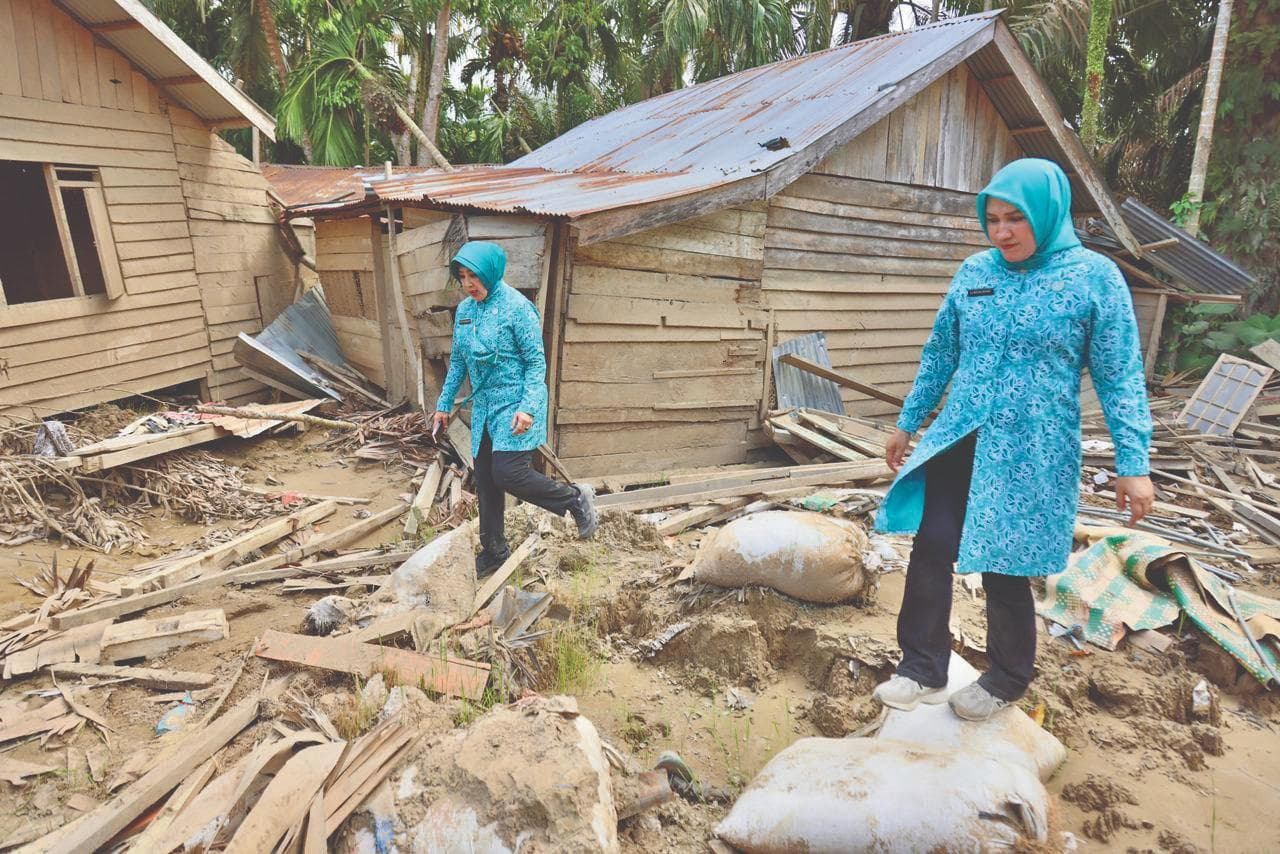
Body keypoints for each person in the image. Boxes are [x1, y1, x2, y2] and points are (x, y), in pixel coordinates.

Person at [871, 158, 1155, 721]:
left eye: (1015, 220)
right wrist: (909, 421)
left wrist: (1133, 461)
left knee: (1006, 561)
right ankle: (921, 666)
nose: (1001, 232)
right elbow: (940, 354)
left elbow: (1120, 375)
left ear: (1047, 215)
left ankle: (1005, 679)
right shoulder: (975, 272)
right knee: (933, 546)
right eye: (993, 219)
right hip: (962, 434)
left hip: (1034, 448)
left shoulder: (1094, 278)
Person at [431, 241, 599, 576]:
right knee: (487, 480)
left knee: (509, 473)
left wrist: (528, 408)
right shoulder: (465, 311)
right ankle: (494, 551)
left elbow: (536, 364)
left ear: (491, 273)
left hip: (516, 404)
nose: (468, 284)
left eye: (474, 276)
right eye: (462, 277)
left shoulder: (518, 309)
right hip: (484, 410)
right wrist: (444, 404)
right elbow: (459, 363)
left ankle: (573, 499)